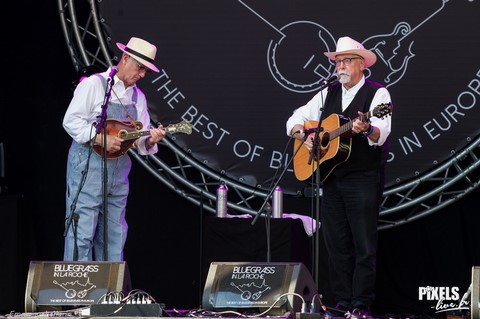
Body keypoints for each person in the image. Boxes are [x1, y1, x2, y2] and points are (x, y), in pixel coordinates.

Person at [286, 36, 392, 318]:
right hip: (331, 178)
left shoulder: (378, 95)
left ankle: (361, 305)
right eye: (337, 61)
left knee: (363, 244)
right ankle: (341, 303)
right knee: (336, 243)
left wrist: (366, 129)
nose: (339, 66)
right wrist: (305, 135)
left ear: (361, 65)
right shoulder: (327, 92)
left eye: (345, 61)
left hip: (362, 177)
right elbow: (294, 119)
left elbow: (381, 134)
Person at [63, 37, 167, 261]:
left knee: (114, 234)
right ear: (125, 58)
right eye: (140, 68)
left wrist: (151, 139)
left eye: (146, 72)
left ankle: (108, 292)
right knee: (82, 230)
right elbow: (71, 121)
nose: (141, 75)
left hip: (118, 172)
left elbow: (139, 142)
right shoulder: (95, 84)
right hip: (88, 167)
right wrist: (100, 138)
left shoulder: (139, 98)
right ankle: (76, 290)